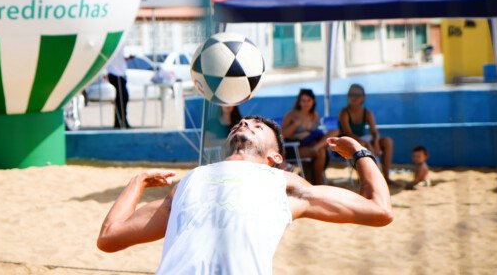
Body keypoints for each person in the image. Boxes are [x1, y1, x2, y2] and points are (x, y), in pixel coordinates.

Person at [97, 116, 393, 273]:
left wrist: (358, 152)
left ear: (275, 157)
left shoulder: (283, 184)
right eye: (243, 123)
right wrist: (136, 183)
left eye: (258, 126)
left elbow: (379, 209)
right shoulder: (190, 181)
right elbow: (110, 237)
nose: (245, 124)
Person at [338, 84, 395, 184]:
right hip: (349, 143)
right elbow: (348, 134)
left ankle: (386, 177)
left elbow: (374, 131)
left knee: (387, 141)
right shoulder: (344, 113)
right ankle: (367, 180)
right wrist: (366, 143)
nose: (354, 97)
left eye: (357, 95)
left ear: (363, 97)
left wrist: (376, 142)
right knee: (362, 145)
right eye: (351, 94)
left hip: (363, 141)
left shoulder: (367, 113)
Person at [280, 89, 329, 184]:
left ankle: (317, 183)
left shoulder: (314, 115)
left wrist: (308, 134)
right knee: (321, 152)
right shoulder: (291, 115)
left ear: (313, 101)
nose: (306, 103)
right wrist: (295, 126)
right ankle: (319, 184)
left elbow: (313, 133)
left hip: (309, 145)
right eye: (303, 101)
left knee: (330, 138)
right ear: (299, 102)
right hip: (295, 148)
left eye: (308, 100)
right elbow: (282, 135)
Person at [107, 51, 130, 129]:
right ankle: (121, 121)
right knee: (122, 98)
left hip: (119, 74)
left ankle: (120, 121)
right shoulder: (118, 45)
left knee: (122, 99)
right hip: (116, 74)